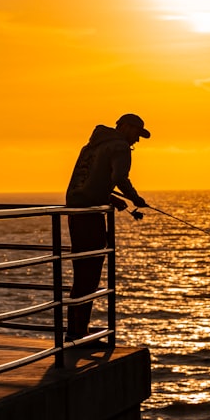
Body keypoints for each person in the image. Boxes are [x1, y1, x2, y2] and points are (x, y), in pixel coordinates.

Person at [64, 113, 150, 343]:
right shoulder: (120, 147)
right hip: (90, 216)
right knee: (89, 274)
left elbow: (89, 181)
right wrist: (135, 198)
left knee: (81, 272)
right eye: (136, 133)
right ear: (125, 127)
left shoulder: (90, 147)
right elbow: (120, 177)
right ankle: (78, 333)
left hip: (75, 212)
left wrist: (111, 198)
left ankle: (76, 328)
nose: (137, 141)